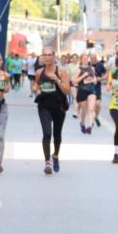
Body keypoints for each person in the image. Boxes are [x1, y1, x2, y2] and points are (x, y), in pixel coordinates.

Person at [31, 47, 71, 175]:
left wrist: (57, 80)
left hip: (59, 106)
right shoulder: (39, 72)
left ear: (54, 56)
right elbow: (36, 85)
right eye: (45, 55)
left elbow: (67, 90)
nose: (47, 57)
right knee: (47, 133)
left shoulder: (62, 71)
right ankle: (47, 162)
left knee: (57, 135)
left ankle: (56, 155)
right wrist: (36, 90)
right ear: (42, 57)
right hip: (44, 106)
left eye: (49, 55)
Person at [72, 54, 98, 134]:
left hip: (91, 90)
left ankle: (89, 126)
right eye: (84, 59)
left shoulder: (92, 68)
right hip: (82, 91)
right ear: (81, 60)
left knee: (91, 108)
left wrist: (94, 80)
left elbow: (95, 79)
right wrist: (83, 76)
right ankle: (82, 123)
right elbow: (74, 81)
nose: (85, 60)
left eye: (87, 58)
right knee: (84, 110)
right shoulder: (78, 70)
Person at [91, 53, 106, 128]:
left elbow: (106, 73)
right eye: (91, 58)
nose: (93, 60)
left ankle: (96, 116)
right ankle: (91, 120)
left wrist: (102, 78)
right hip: (89, 88)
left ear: (96, 58)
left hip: (97, 87)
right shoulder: (87, 65)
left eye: (94, 58)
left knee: (98, 104)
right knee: (92, 105)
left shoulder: (100, 65)